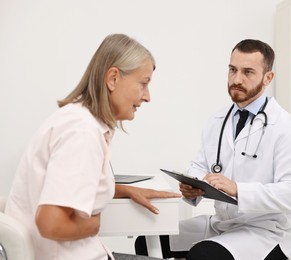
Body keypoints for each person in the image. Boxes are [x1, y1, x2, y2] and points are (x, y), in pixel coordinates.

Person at [5, 33, 180, 260]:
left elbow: (67, 184)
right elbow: (50, 223)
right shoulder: (83, 132)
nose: (147, 97)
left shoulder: (79, 120)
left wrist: (121, 190)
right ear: (113, 78)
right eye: (143, 83)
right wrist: (93, 225)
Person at [135, 39, 291, 259]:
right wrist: (193, 189)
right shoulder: (217, 120)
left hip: (266, 231)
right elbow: (199, 167)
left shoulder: (287, 129)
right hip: (223, 224)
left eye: (248, 72)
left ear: (268, 77)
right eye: (232, 70)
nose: (237, 79)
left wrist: (238, 189)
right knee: (148, 241)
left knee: (204, 255)